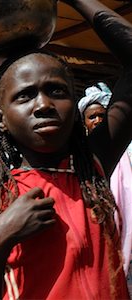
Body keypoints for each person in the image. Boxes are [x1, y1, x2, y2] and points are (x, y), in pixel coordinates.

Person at [0, 0, 132, 299]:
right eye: (25, 95)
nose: (43, 105)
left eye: (56, 90)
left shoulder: (91, 170)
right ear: (1, 120)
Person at [78, 82, 132, 291]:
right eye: (92, 117)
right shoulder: (81, 157)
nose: (98, 121)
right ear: (84, 123)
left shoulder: (127, 151)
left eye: (102, 115)